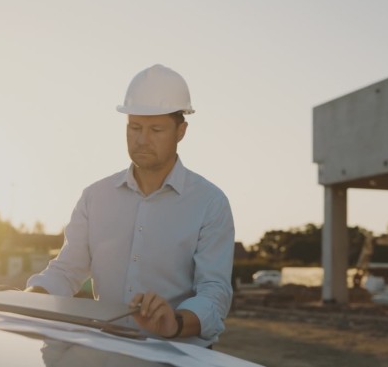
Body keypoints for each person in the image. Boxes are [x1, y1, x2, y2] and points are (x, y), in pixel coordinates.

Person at [25, 64, 235, 348]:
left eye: (156, 129)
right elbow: (67, 270)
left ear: (181, 131)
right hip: (107, 352)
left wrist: (175, 322)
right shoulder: (95, 197)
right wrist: (31, 295)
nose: (142, 139)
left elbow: (215, 291)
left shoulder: (210, 203)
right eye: (134, 127)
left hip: (179, 354)